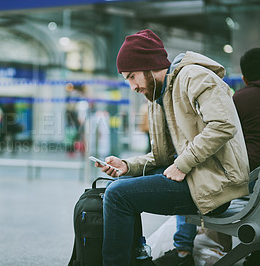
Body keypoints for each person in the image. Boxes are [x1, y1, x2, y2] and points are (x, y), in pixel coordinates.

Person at [94, 29, 249, 266]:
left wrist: (182, 163)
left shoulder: (195, 77)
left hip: (215, 183)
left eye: (132, 76)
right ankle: (137, 260)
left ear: (148, 66)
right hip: (195, 177)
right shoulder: (159, 96)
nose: (132, 86)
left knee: (117, 196)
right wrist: (128, 166)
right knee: (118, 186)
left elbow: (222, 126)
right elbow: (162, 157)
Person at [155, 47, 260, 266]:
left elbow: (219, 133)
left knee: (193, 173)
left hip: (244, 177)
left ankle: (183, 249)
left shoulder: (239, 99)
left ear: (244, 78)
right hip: (256, 184)